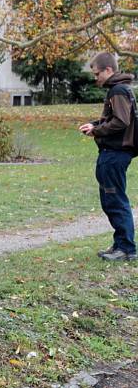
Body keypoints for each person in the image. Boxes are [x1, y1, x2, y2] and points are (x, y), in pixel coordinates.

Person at [79, 52, 136, 262]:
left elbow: (121, 121)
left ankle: (127, 248)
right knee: (110, 200)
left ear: (108, 70)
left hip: (116, 154)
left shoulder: (118, 90)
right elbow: (114, 118)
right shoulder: (117, 90)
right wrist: (94, 124)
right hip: (111, 153)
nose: (96, 78)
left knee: (115, 200)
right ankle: (121, 243)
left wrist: (97, 131)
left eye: (97, 74)